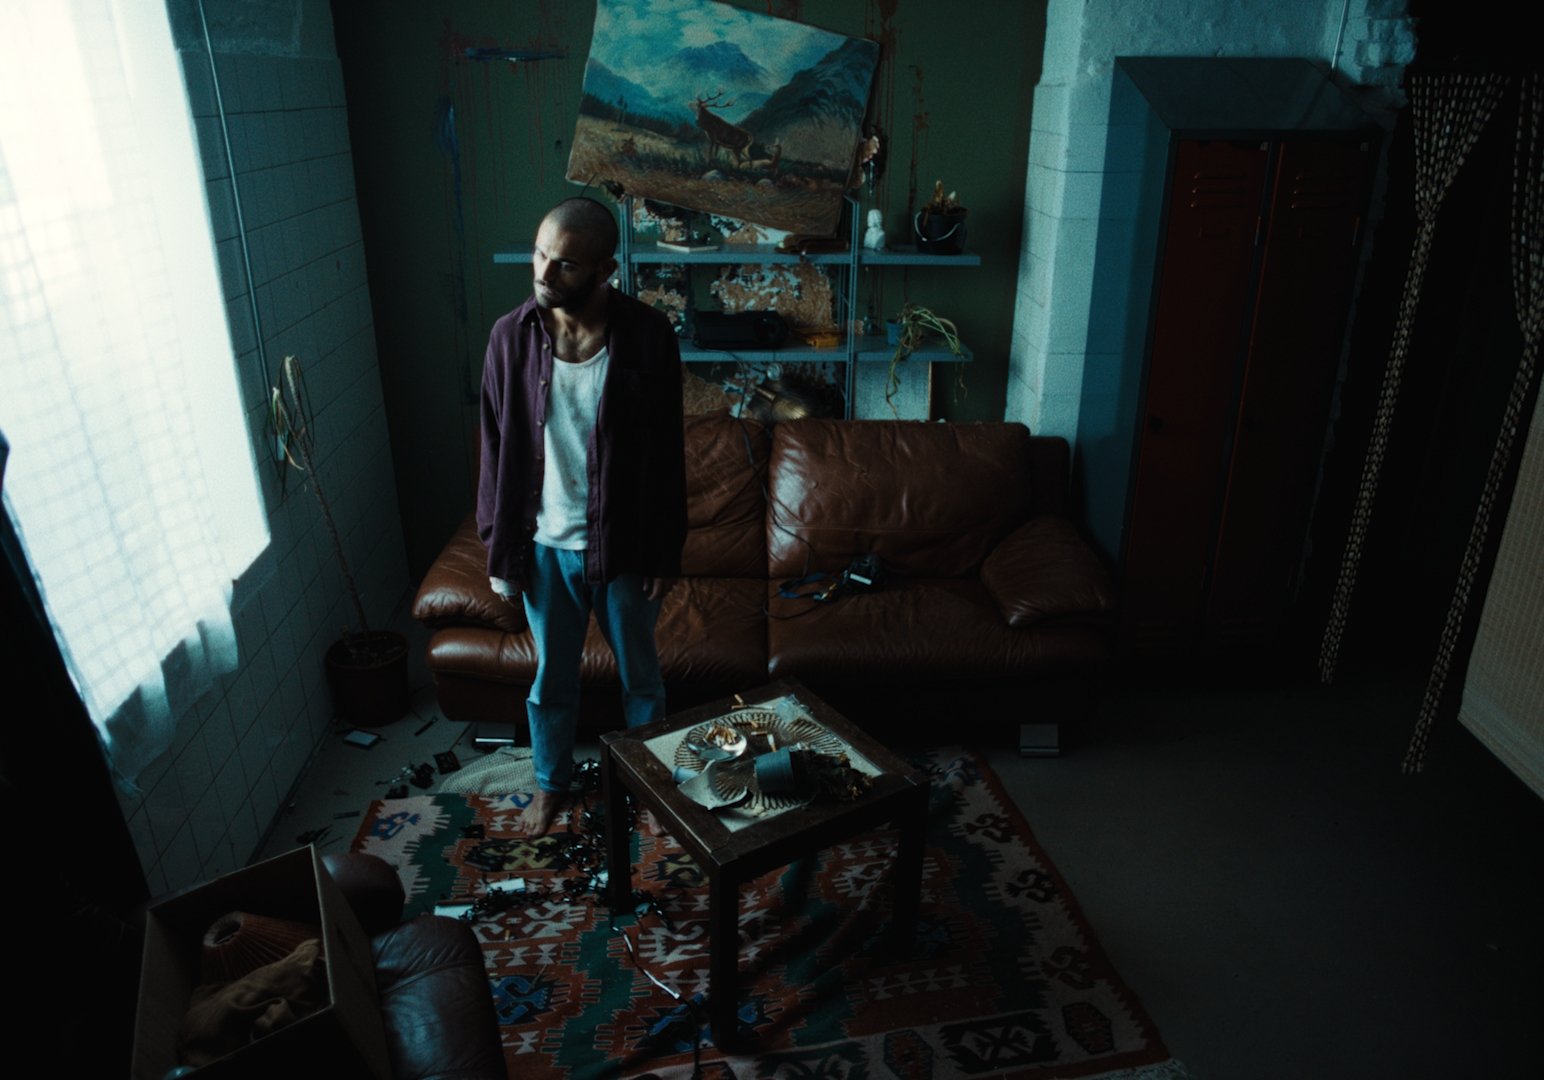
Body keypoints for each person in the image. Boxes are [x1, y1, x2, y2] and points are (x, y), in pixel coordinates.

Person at [477, 196, 686, 836]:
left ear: (605, 269)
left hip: (622, 547)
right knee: (551, 683)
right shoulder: (509, 337)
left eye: (565, 265)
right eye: (540, 254)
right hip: (544, 549)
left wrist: (664, 550)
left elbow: (666, 453)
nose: (543, 273)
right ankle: (550, 786)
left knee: (642, 681)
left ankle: (653, 787)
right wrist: (499, 549)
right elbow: (492, 448)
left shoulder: (649, 337)